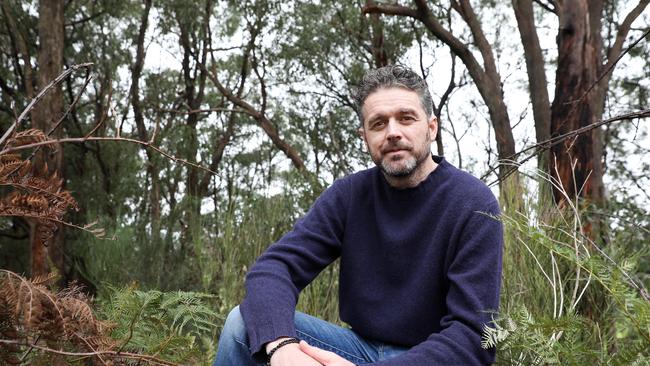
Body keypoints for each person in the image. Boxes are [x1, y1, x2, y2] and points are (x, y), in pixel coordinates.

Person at [213, 65, 503, 365]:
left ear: (431, 127)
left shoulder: (473, 203)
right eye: (379, 123)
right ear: (364, 136)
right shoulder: (349, 196)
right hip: (356, 348)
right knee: (243, 326)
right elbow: (275, 268)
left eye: (406, 118)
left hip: (429, 357)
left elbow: (472, 336)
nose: (393, 133)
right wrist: (281, 346)